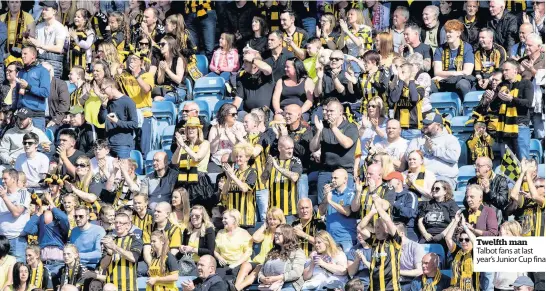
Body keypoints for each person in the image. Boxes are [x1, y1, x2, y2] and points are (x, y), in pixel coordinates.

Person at [311, 100, 358, 204]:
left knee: (345, 204)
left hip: (344, 172)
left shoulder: (351, 127)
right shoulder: (322, 126)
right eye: (327, 111)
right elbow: (313, 148)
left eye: (331, 111)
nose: (328, 113)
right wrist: (319, 131)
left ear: (340, 112)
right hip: (326, 172)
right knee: (323, 206)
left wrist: (333, 128)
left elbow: (346, 144)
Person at [232, 207, 285, 291]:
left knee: (258, 268)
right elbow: (255, 238)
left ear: (280, 220)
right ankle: (236, 286)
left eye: (274, 219)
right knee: (245, 265)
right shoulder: (266, 232)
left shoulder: (283, 234)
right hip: (258, 260)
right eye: (270, 219)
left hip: (268, 263)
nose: (271, 221)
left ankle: (237, 288)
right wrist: (264, 226)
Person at [359, 192, 403, 291]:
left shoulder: (394, 241)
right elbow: (360, 228)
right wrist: (372, 212)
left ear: (386, 229)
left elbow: (387, 220)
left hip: (391, 288)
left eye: (379, 227)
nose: (376, 229)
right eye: (375, 227)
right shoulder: (374, 240)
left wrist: (379, 208)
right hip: (373, 287)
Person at [406, 113, 461, 189]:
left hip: (444, 178)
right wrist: (423, 150)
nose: (424, 126)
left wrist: (434, 149)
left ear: (438, 126)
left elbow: (454, 157)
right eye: (424, 123)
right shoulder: (417, 139)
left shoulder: (450, 139)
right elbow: (408, 156)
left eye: (428, 124)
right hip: (421, 176)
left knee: (435, 186)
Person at [494, 60, 533, 160]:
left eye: (507, 70)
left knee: (523, 160)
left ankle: (525, 176)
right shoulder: (501, 86)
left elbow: (528, 103)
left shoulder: (526, 83)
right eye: (503, 70)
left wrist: (512, 99)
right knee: (507, 163)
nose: (504, 73)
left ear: (515, 70)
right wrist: (495, 98)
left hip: (520, 125)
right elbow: (494, 107)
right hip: (504, 126)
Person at [172, 117, 214, 209]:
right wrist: (179, 147)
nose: (191, 130)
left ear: (198, 130)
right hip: (184, 178)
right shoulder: (185, 144)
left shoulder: (204, 143)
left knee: (199, 208)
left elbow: (197, 157)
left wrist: (183, 146)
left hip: (199, 180)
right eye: (189, 128)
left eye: (193, 128)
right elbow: (174, 161)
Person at [431, 19, 475, 100]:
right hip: (444, 81)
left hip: (459, 80)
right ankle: (436, 111)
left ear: (458, 33)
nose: (447, 34)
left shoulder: (467, 47)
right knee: (431, 84)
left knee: (462, 84)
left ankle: (466, 109)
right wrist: (456, 73)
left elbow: (467, 72)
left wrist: (448, 76)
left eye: (450, 32)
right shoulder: (440, 49)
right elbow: (437, 72)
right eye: (446, 32)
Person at [262, 136, 302, 223]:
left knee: (288, 236)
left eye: (292, 148)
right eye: (288, 148)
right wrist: (268, 166)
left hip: (290, 211)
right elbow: (263, 180)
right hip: (273, 210)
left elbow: (294, 177)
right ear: (280, 148)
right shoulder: (273, 160)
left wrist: (277, 167)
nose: (291, 151)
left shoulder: (295, 161)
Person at [99, 213, 143, 291]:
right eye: (116, 222)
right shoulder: (110, 240)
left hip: (129, 285)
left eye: (121, 223)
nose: (118, 225)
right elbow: (103, 266)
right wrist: (109, 253)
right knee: (108, 287)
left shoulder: (135, 238)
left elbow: (133, 258)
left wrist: (115, 247)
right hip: (111, 283)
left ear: (128, 225)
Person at [97, 78, 138, 159]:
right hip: (108, 144)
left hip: (122, 145)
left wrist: (117, 121)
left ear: (111, 87)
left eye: (103, 89)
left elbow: (134, 124)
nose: (103, 92)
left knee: (122, 168)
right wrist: (103, 106)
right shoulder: (108, 102)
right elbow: (101, 120)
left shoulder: (128, 102)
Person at [13, 46, 50, 133]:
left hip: (35, 115)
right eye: (22, 54)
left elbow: (45, 92)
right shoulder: (21, 72)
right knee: (22, 145)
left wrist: (28, 87)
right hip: (21, 114)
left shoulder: (42, 71)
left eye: (25, 54)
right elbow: (17, 94)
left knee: (37, 143)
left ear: (33, 55)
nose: (22, 56)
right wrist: (13, 109)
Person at [221, 142, 258, 228]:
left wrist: (233, 176)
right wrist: (229, 178)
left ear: (247, 158)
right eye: (236, 156)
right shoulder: (233, 172)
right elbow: (224, 192)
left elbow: (245, 189)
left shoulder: (252, 172)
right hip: (231, 218)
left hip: (245, 218)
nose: (238, 159)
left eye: (240, 156)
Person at [320, 168, 357, 252]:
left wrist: (330, 201)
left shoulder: (351, 193)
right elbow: (321, 212)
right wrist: (326, 197)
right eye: (332, 178)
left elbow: (347, 212)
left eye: (336, 178)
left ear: (345, 179)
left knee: (347, 263)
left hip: (346, 238)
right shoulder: (330, 194)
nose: (333, 180)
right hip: (330, 238)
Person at [28, 1, 66, 79]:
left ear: (54, 11)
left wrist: (40, 45)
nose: (43, 11)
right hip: (39, 60)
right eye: (43, 9)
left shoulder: (60, 27)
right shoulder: (39, 26)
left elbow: (59, 48)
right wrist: (31, 41)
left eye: (46, 9)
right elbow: (37, 46)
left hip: (54, 61)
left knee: (51, 88)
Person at [141, 202, 182, 276]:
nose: (155, 213)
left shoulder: (175, 229)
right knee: (139, 270)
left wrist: (161, 265)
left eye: (159, 211)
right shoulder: (148, 227)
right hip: (151, 261)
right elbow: (146, 251)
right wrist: (153, 266)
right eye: (155, 211)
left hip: (167, 262)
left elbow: (173, 252)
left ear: (167, 214)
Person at [507, 159, 545, 237]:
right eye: (535, 187)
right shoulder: (526, 198)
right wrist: (522, 173)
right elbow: (513, 195)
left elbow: (535, 196)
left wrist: (527, 173)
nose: (536, 188)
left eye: (539, 187)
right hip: (525, 242)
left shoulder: (543, 200)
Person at [444, 210, 480, 291]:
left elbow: (476, 242)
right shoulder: (457, 252)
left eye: (467, 239)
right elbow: (447, 238)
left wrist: (464, 226)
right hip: (456, 288)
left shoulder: (475, 252)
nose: (463, 242)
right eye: (461, 239)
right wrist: (456, 221)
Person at [416, 180, 460, 246]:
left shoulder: (451, 204)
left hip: (445, 234)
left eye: (437, 188)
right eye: (433, 188)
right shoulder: (427, 204)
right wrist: (425, 234)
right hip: (428, 235)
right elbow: (420, 221)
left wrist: (442, 235)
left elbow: (454, 221)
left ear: (445, 191)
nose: (434, 190)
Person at [0, 169, 30, 263]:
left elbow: (16, 212)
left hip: (17, 241)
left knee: (18, 270)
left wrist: (4, 197)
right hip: (2, 240)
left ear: (13, 179)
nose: (3, 181)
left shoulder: (23, 193)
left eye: (5, 178)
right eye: (2, 179)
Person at [208, 103, 246, 173]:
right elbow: (212, 150)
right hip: (217, 160)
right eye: (233, 114)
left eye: (236, 114)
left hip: (235, 159)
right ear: (225, 115)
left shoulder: (240, 126)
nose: (236, 116)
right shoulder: (215, 128)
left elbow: (243, 147)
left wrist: (229, 135)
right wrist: (217, 137)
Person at [213, 209, 252, 276]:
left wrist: (236, 264)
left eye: (225, 218)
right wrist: (219, 258)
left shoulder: (244, 233)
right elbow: (215, 251)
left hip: (240, 264)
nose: (223, 220)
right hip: (224, 266)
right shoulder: (220, 233)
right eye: (222, 218)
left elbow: (248, 252)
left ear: (234, 220)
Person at [385, 172, 419, 240]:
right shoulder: (386, 195)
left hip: (407, 230)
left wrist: (394, 203)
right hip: (389, 229)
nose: (387, 183)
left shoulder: (410, 195)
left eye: (389, 180)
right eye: (387, 181)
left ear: (398, 181)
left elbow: (410, 213)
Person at [153, 35, 185, 103]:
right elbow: (159, 82)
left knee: (158, 99)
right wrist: (163, 71)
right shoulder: (162, 61)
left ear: (170, 45)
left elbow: (178, 80)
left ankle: (163, 100)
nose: (160, 46)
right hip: (165, 89)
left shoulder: (178, 59)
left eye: (163, 44)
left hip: (178, 89)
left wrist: (167, 69)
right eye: (159, 44)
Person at [40, 62, 69, 129]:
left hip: (55, 118)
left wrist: (55, 120)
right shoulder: (37, 84)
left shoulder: (60, 84)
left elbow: (64, 104)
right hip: (39, 118)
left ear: (51, 72)